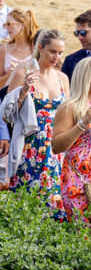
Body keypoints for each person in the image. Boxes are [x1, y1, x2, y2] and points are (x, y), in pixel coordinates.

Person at [4, 29, 69, 213]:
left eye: (60, 52)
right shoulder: (24, 72)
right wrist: (23, 91)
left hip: (55, 150)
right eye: (52, 51)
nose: (56, 56)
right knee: (25, 203)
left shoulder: (62, 78)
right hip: (29, 145)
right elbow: (8, 114)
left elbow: (68, 114)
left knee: (54, 204)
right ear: (40, 48)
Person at [52, 57, 91, 220]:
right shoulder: (70, 107)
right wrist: (83, 122)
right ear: (83, 76)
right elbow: (56, 146)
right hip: (77, 180)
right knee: (83, 233)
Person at [0, 7, 39, 97]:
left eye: (9, 24)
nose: (6, 27)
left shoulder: (37, 49)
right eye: (5, 24)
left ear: (23, 25)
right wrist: (11, 74)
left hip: (32, 101)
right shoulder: (4, 50)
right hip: (7, 101)